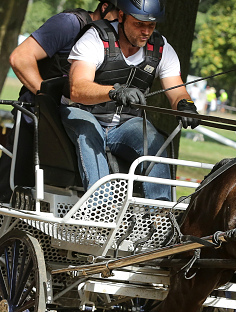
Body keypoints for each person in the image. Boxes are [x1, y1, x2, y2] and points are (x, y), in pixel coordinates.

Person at [64, 0, 199, 200]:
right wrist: (114, 92)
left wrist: (184, 105)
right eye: (139, 24)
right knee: (88, 132)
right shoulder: (96, 38)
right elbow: (77, 88)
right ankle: (101, 208)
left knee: (154, 141)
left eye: (151, 25)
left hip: (125, 124)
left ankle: (159, 216)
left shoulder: (161, 48)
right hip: (84, 113)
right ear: (121, 16)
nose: (146, 31)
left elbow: (177, 90)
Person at [0, 1, 119, 201]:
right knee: (12, 193)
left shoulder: (116, 40)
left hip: (71, 126)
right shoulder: (69, 24)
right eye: (119, 17)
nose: (121, 25)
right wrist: (48, 101)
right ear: (105, 7)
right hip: (35, 121)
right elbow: (20, 58)